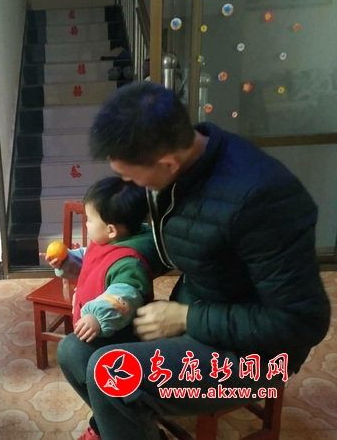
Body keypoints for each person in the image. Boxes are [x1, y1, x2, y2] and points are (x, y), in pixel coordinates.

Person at [57, 81, 331, 440]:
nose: (126, 183)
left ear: (167, 163)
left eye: (130, 176)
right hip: (197, 317)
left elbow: (302, 322)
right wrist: (98, 267)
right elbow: (178, 243)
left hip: (257, 356)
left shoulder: (263, 197)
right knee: (73, 350)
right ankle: (124, 428)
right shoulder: (177, 171)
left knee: (108, 373)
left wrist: (186, 317)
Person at [42, 177, 163, 342]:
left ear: (111, 230)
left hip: (112, 333)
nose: (86, 224)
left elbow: (124, 296)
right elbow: (90, 258)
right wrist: (66, 260)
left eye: (89, 220)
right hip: (93, 326)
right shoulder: (108, 242)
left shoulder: (129, 263)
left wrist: (98, 317)